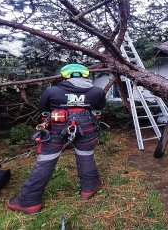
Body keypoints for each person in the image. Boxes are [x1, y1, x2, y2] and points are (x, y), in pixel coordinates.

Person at [6, 63, 106, 214]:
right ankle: (90, 187)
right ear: (85, 75)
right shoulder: (97, 91)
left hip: (56, 126)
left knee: (46, 159)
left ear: (65, 75)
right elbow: (100, 107)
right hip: (87, 126)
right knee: (86, 155)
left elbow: (43, 109)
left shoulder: (52, 91)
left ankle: (28, 201)